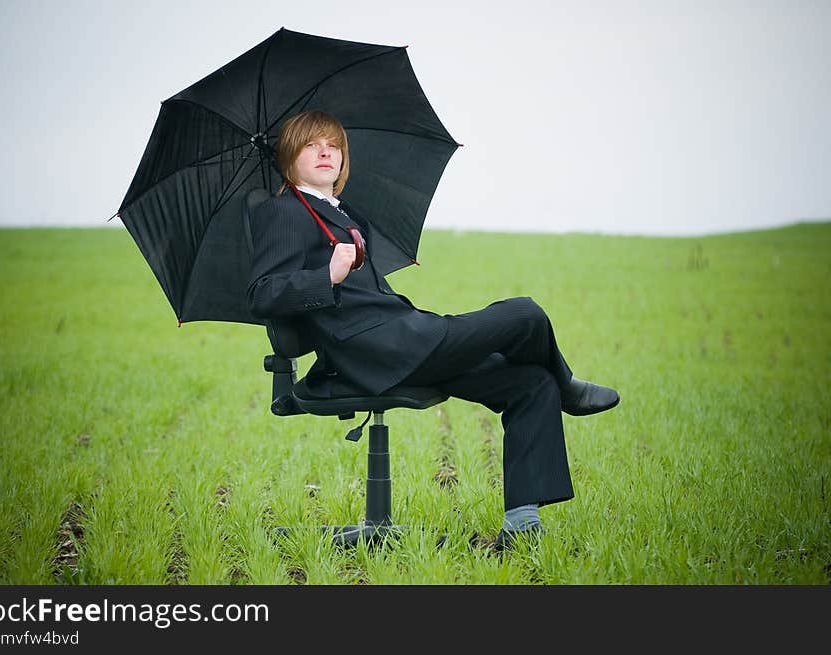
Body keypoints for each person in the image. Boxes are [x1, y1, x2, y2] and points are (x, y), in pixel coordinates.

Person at [246, 110, 620, 550]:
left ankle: (521, 529)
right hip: (376, 353)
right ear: (288, 159)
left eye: (332, 144)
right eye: (310, 145)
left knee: (531, 384)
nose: (325, 151)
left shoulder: (340, 213)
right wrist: (324, 277)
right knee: (524, 314)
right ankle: (569, 387)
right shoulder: (283, 212)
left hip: (403, 340)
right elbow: (262, 293)